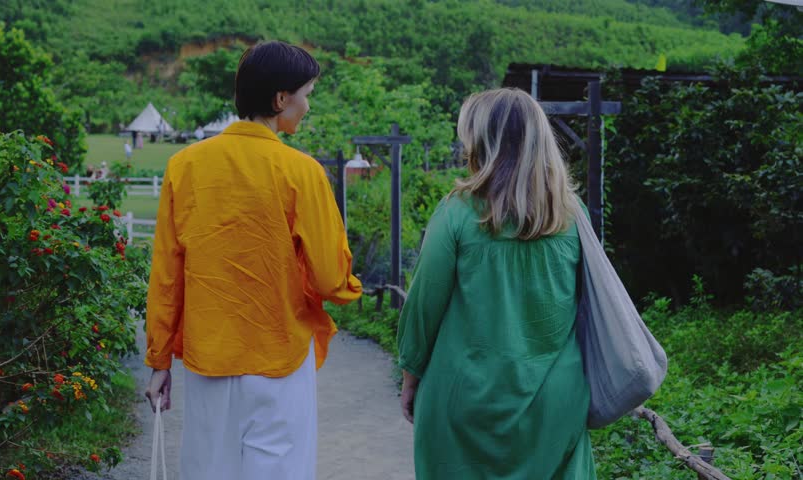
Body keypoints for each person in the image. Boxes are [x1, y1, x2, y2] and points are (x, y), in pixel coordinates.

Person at [144, 41, 362, 480]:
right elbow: (329, 277)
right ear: (281, 99)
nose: (307, 105)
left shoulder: (184, 166)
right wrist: (347, 288)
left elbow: (167, 274)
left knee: (209, 470)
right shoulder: (302, 171)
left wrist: (160, 360)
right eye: (307, 94)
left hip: (211, 355)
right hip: (279, 354)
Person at [396, 88, 597, 479]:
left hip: (466, 399)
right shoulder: (574, 216)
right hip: (555, 401)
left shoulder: (457, 213)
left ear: (481, 141)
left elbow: (423, 306)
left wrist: (410, 377)